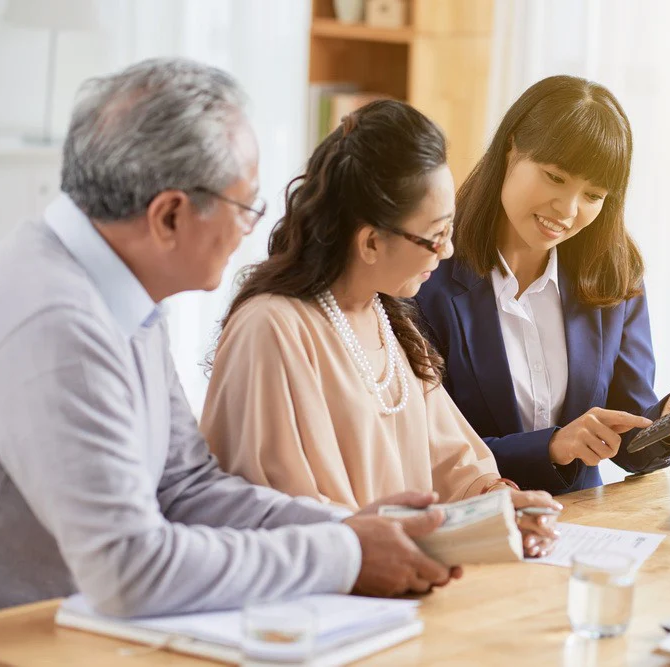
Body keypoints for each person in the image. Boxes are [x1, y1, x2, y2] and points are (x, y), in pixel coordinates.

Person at [0, 58, 457, 616]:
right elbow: (129, 570)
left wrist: (350, 526)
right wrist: (344, 552)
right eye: (245, 206)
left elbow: (185, 486)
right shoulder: (59, 325)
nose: (253, 229)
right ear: (170, 216)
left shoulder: (118, 291)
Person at [201, 100, 561, 558]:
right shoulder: (272, 329)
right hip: (325, 599)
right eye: (436, 235)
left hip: (395, 585)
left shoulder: (386, 317)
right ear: (371, 241)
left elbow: (451, 462)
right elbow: (279, 511)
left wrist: (498, 505)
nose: (448, 252)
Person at [415, 75, 670, 495]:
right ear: (511, 147)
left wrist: (669, 425)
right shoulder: (424, 278)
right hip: (472, 528)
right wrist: (552, 446)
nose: (567, 210)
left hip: (581, 531)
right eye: (555, 177)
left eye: (593, 195)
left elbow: (626, 442)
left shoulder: (613, 274)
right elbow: (423, 449)